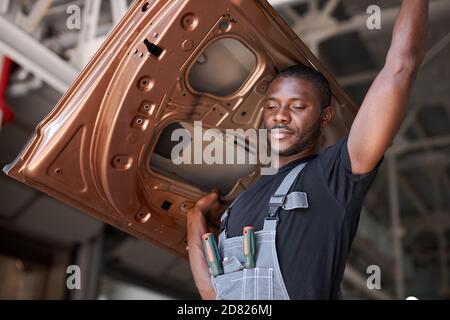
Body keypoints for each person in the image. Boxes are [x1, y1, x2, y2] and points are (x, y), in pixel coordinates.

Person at [187, 0, 428, 300]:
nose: (280, 115)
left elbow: (400, 68)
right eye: (272, 106)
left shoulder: (331, 178)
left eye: (297, 107)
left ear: (324, 117)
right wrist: (194, 219)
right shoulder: (238, 206)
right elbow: (212, 293)